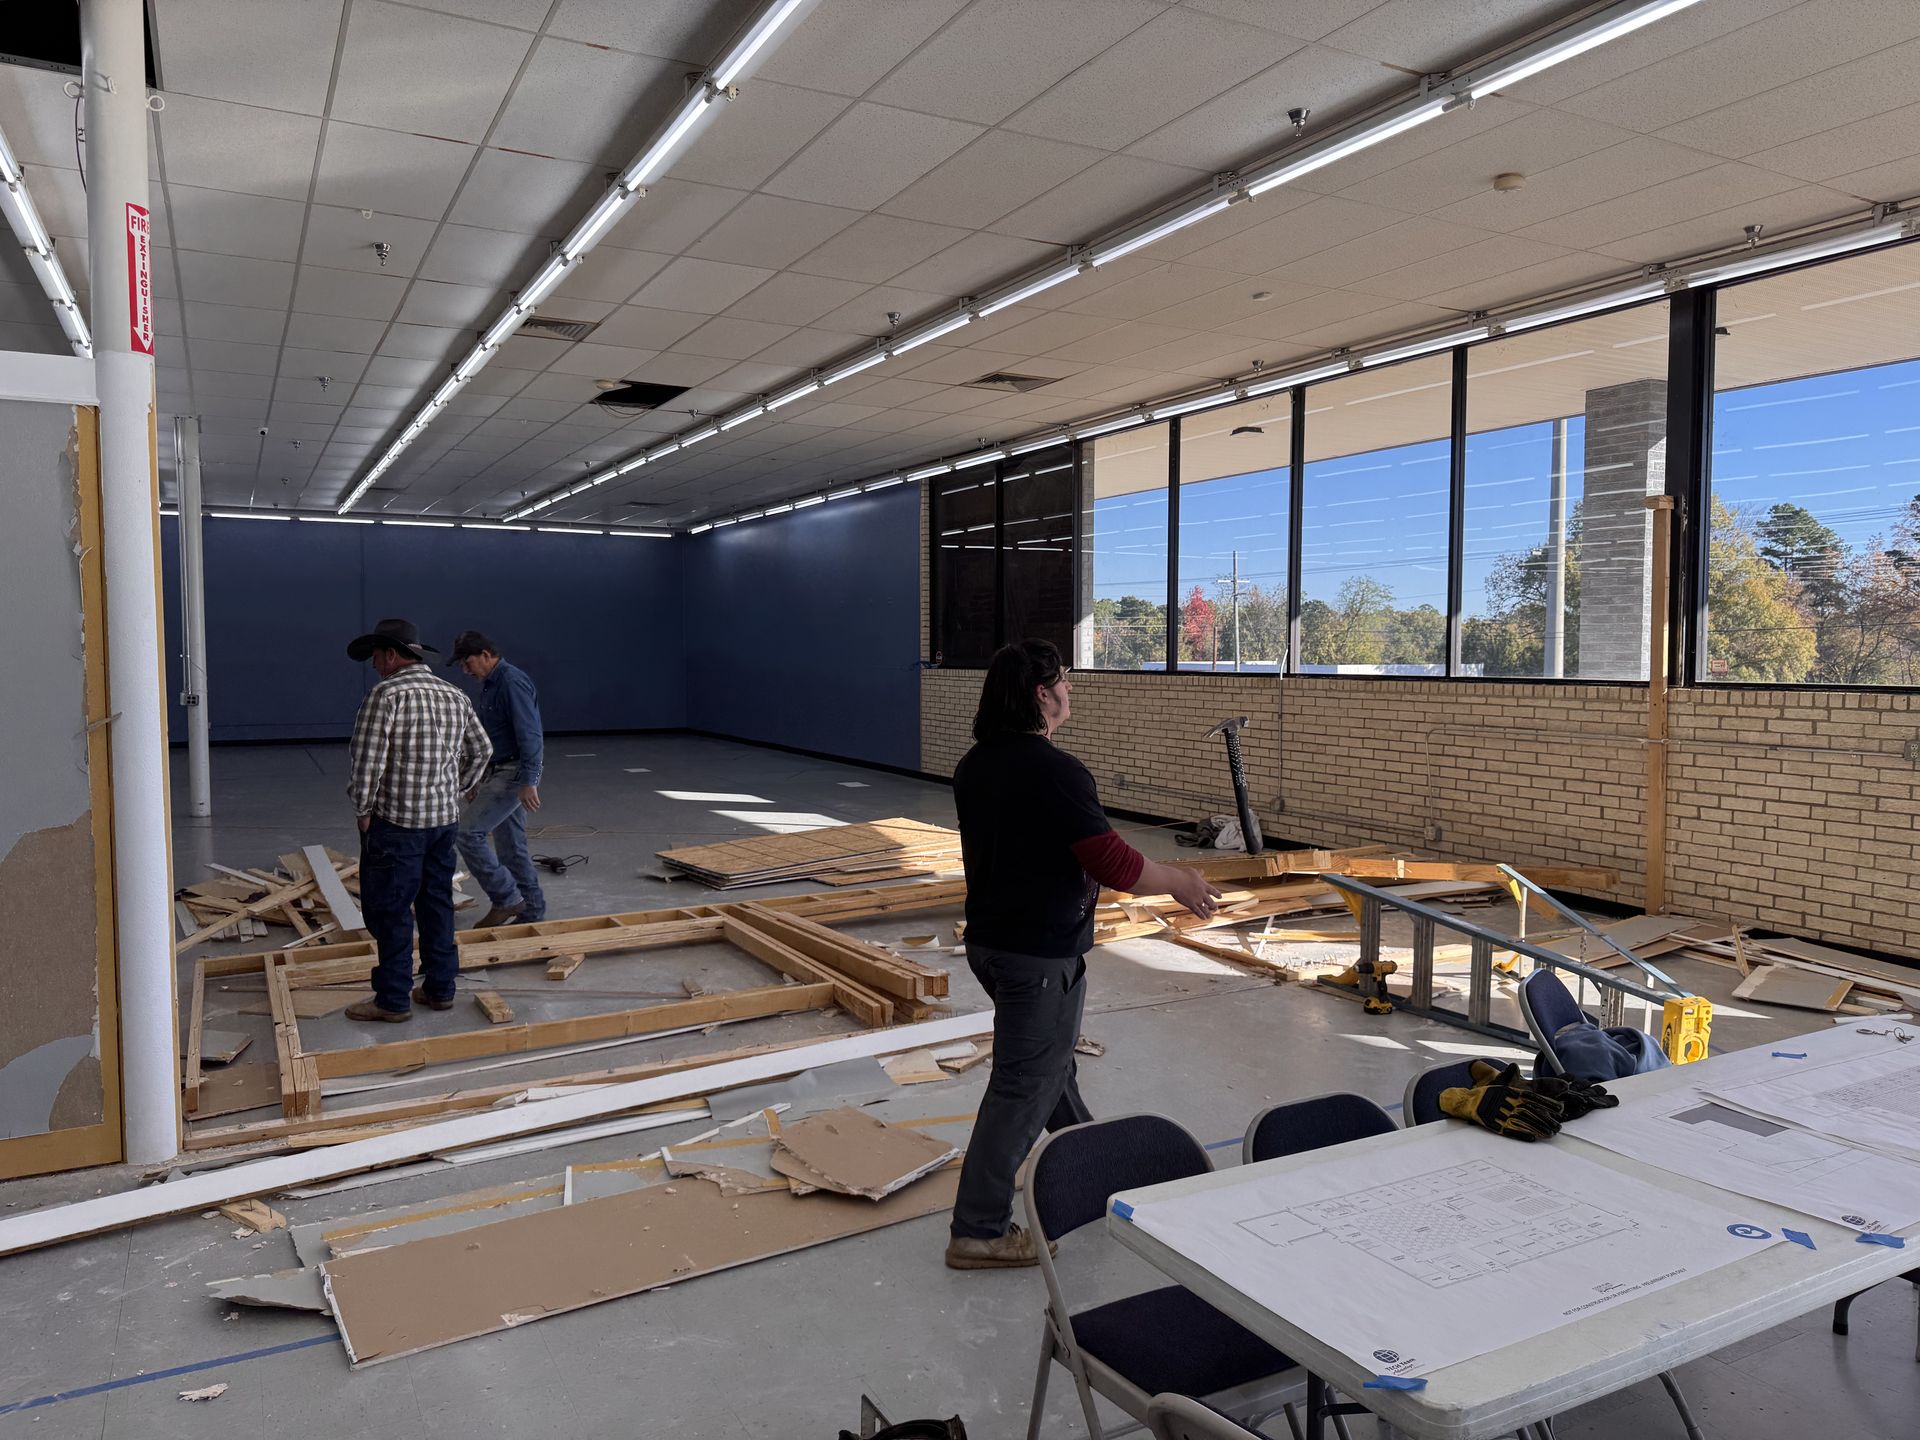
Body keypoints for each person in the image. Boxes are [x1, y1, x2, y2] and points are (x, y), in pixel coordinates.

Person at [944, 639, 1221, 1270]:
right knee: (1025, 1083)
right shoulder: (1054, 771)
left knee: (1051, 1067)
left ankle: (1091, 1165)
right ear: (1042, 695)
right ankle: (978, 1228)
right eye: (1064, 682)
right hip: (1036, 954)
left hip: (993, 943)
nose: (1070, 691)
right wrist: (1179, 879)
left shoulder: (975, 765)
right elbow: (1113, 863)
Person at [341, 618, 492, 1023]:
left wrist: (364, 810)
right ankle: (441, 988)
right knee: (436, 903)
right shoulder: (454, 695)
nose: (373, 664)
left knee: (390, 910)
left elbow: (367, 763)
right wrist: (455, 790)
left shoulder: (385, 695)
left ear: (391, 654)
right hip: (443, 823)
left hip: (397, 826)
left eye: (375, 655)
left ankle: (392, 999)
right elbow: (482, 750)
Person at [447, 630, 548, 927]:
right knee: (511, 846)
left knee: (467, 833)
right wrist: (478, 777)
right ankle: (531, 911)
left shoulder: (511, 682)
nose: (466, 670)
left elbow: (530, 734)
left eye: (468, 663)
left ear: (486, 655)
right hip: (499, 769)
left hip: (513, 773)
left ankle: (506, 899)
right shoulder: (491, 684)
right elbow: (492, 738)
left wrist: (531, 779)